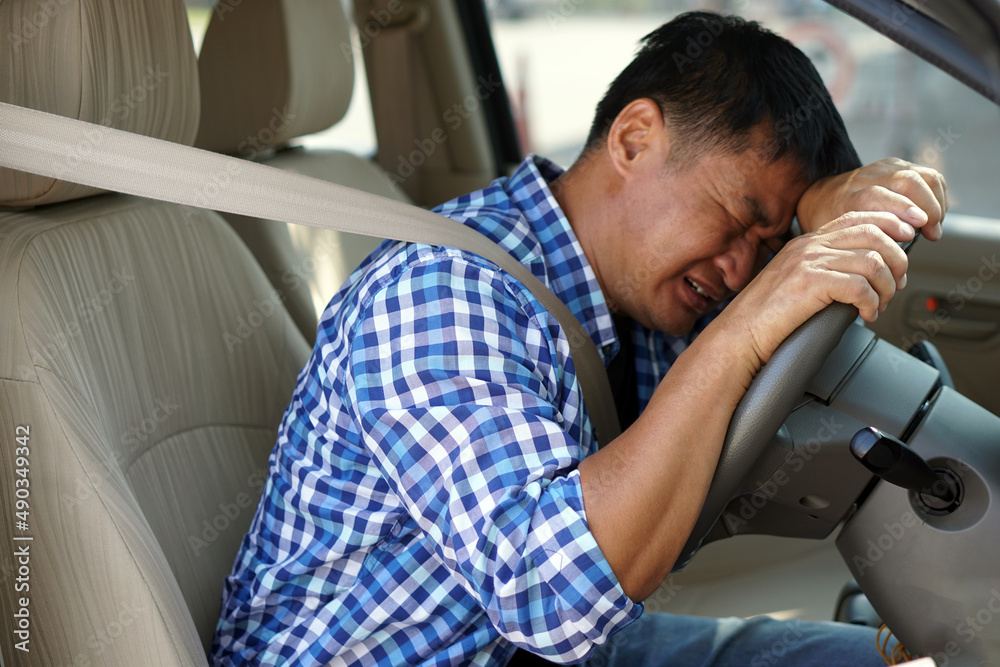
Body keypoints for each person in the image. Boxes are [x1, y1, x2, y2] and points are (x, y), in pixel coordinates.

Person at [210, 12, 946, 666]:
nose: (740, 268)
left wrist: (819, 210)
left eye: (769, 240)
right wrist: (752, 323)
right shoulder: (442, 289)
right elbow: (553, 600)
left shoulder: (637, 291)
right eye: (737, 215)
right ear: (633, 139)